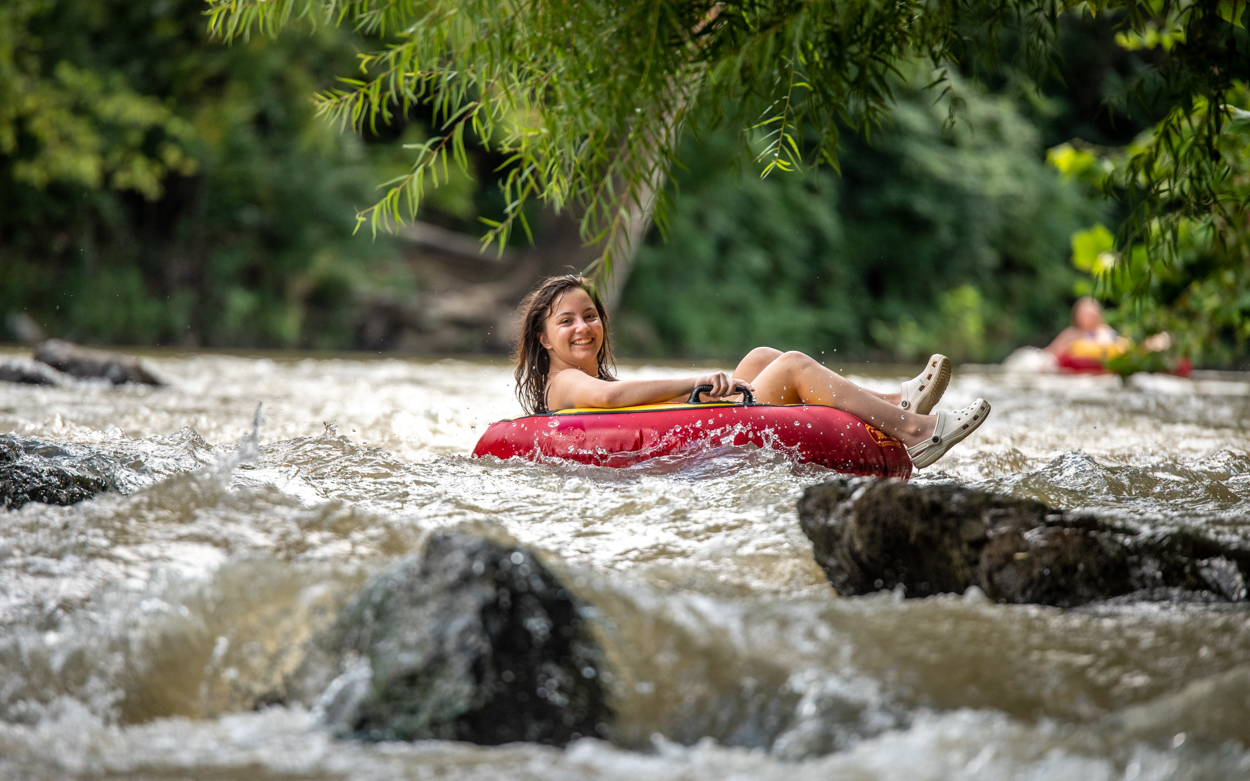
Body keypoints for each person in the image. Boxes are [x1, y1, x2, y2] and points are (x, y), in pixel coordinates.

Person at [513, 275, 990, 469]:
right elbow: (611, 401)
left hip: (689, 425)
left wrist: (697, 395)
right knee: (793, 366)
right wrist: (694, 382)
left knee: (761, 357)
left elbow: (632, 403)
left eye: (590, 316)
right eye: (567, 321)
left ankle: (892, 404)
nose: (583, 328)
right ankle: (915, 430)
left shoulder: (582, 375)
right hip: (695, 442)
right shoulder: (563, 382)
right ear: (543, 337)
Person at [1044, 297, 1132, 366]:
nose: (1086, 319)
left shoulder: (1104, 331)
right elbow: (1051, 352)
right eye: (1084, 315)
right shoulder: (1071, 333)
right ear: (1077, 316)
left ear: (1097, 316)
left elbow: (1113, 347)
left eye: (1090, 315)